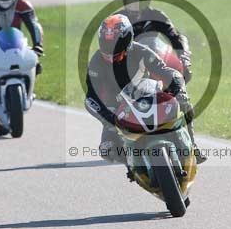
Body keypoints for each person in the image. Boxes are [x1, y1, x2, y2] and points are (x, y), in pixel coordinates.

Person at [84, 14, 206, 173]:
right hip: (117, 108)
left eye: (115, 43)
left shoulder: (141, 51)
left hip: (148, 96)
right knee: (108, 150)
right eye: (107, 43)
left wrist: (173, 90)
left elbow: (167, 72)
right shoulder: (96, 63)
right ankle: (134, 168)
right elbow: (91, 97)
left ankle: (192, 145)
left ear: (127, 38)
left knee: (183, 100)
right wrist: (109, 118)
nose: (111, 48)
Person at [118, 0, 193, 83]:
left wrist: (184, 58)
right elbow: (107, 40)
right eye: (131, 2)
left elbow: (175, 37)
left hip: (153, 58)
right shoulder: (118, 18)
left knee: (182, 74)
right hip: (124, 61)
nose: (134, 6)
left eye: (138, 2)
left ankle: (176, 96)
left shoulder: (157, 16)